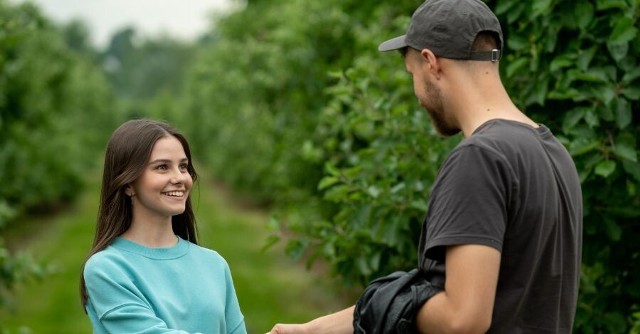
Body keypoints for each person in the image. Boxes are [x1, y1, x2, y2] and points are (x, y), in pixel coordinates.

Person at [270, 0, 582, 333]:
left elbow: (463, 318)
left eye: (412, 75)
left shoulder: (481, 157)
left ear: (430, 62)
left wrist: (379, 302)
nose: (418, 95)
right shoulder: (551, 151)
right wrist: (310, 330)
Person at [80, 119, 247, 334]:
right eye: (162, 167)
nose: (179, 178)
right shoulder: (106, 268)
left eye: (183, 167)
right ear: (129, 184)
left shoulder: (214, 264)